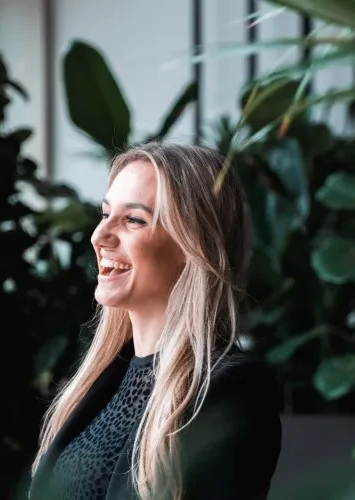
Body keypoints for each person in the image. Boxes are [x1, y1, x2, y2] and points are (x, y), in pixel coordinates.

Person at [28, 143, 282, 500]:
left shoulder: (230, 391)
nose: (99, 236)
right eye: (105, 214)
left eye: (133, 220)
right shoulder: (102, 381)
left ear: (192, 246)